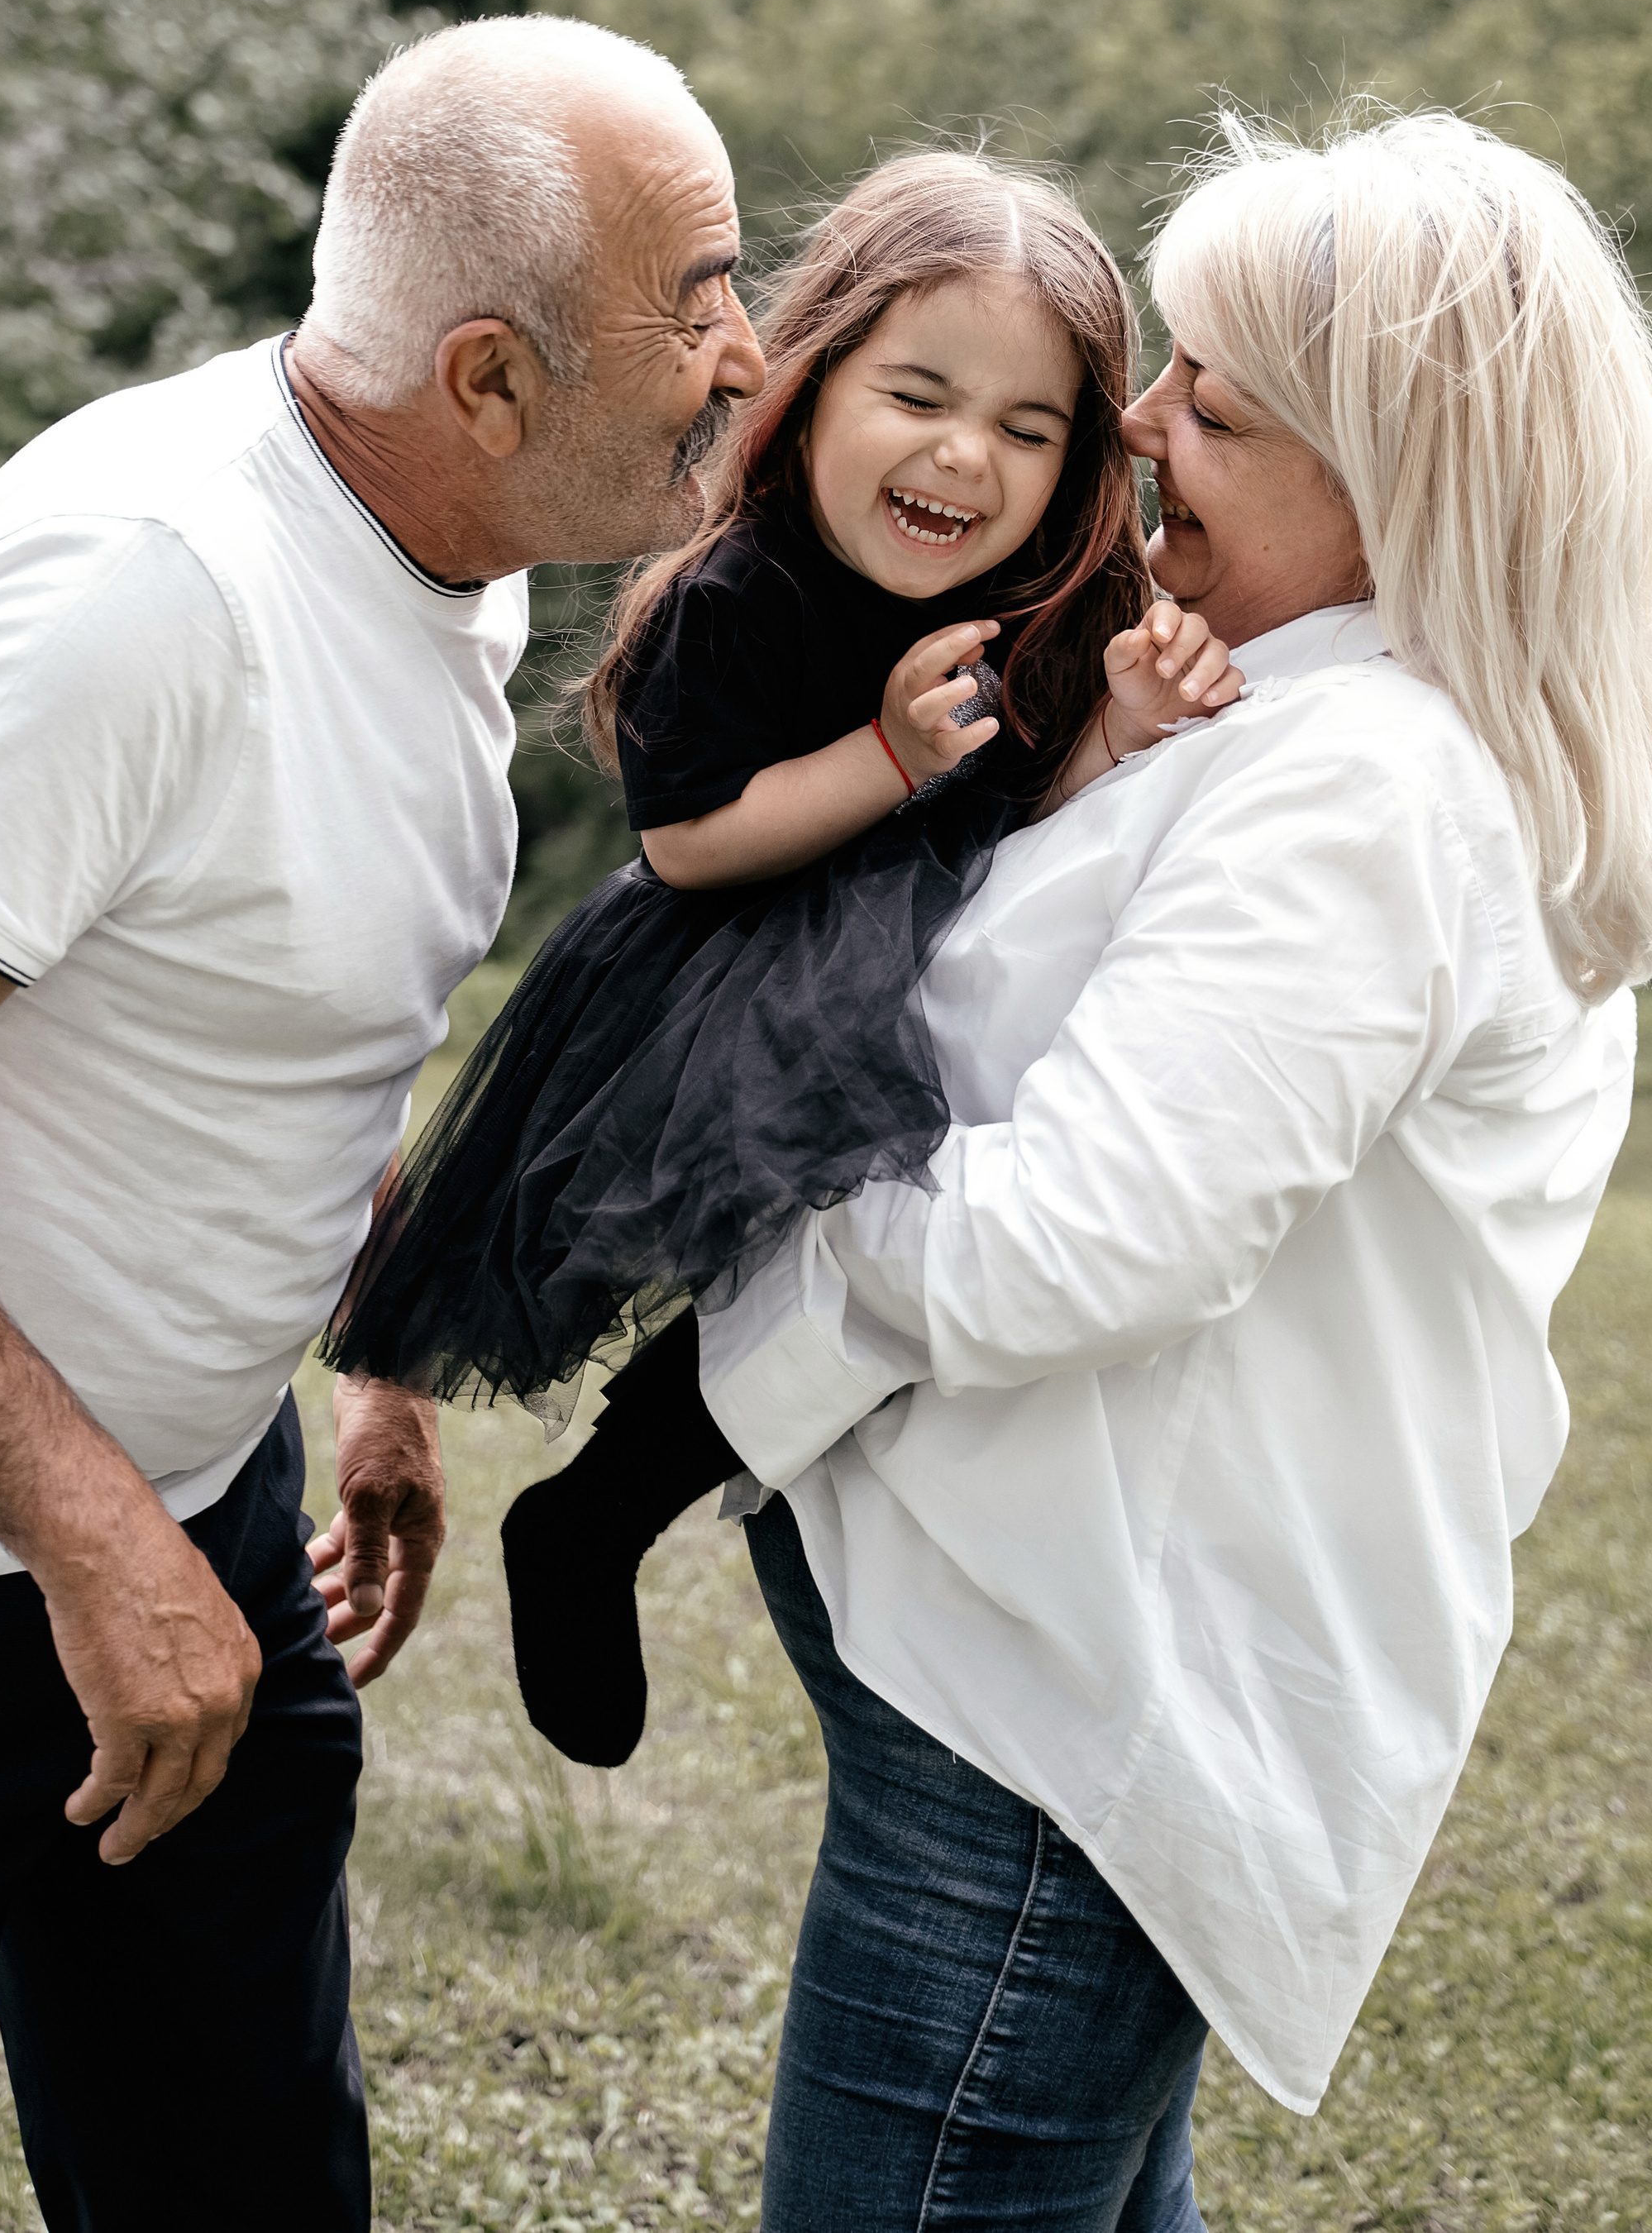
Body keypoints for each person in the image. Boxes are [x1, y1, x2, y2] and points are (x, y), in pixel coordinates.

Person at [0, 16, 766, 2230]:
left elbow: (254, 1025)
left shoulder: (445, 527)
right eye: (695, 298)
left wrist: (382, 1361)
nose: (745, 350)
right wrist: (95, 1545)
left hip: (181, 1509)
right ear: (489, 378)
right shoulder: (145, 587)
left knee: (236, 2161)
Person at [690, 109, 1652, 2231]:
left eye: (1211, 408)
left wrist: (744, 1204)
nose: (1133, 418)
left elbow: (1071, 1243)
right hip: (1056, 1695)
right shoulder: (1309, 722)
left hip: (1063, 1735)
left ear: (1389, 481)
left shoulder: (1369, 789)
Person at [325, 154, 1244, 1767]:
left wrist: (1124, 718)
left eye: (1027, 431)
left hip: (934, 935)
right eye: (916, 393)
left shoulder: (1043, 595)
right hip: (739, 941)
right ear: (811, 386)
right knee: (806, 1208)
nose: (963, 453)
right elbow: (685, 839)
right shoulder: (736, 592)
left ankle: (603, 1502)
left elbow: (1041, 808)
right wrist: (884, 759)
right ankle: (596, 1510)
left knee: (872, 1260)